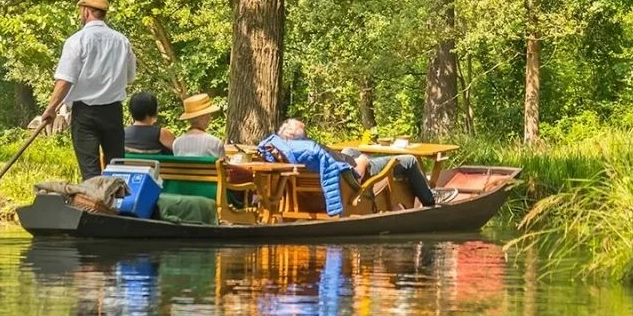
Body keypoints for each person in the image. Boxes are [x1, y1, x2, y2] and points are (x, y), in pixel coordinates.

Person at [36, 0, 137, 181]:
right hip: (113, 111)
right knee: (116, 168)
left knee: (90, 170)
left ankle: (93, 207)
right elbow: (130, 78)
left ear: (86, 11)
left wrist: (51, 109)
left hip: (85, 113)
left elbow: (65, 80)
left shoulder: (77, 41)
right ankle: (115, 207)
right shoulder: (122, 41)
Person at [256, 117, 435, 215]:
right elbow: (353, 177)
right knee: (409, 159)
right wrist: (363, 163)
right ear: (300, 137)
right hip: (355, 170)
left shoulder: (284, 149)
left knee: (350, 149)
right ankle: (430, 202)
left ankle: (423, 190)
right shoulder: (313, 152)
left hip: (341, 161)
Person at [170, 92, 227, 158]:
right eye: (209, 114)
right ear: (204, 116)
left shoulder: (177, 143)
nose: (210, 117)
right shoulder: (215, 143)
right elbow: (223, 167)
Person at [124, 91, 175, 155]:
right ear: (154, 111)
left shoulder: (122, 133)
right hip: (155, 165)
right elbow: (181, 151)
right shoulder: (161, 133)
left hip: (128, 165)